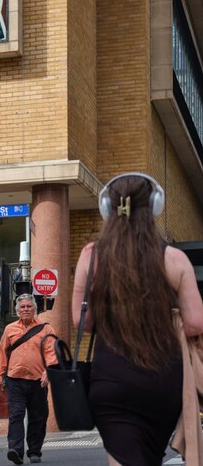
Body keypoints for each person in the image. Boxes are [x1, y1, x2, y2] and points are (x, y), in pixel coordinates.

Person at [71, 173, 203, 466]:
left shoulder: (91, 257)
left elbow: (83, 323)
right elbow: (196, 324)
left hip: (111, 383)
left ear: (107, 207)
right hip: (163, 383)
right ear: (154, 206)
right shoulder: (174, 259)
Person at [0, 294, 57, 465]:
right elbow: (1, 353)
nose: (26, 309)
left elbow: (52, 352)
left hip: (38, 381)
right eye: (22, 307)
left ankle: (35, 451)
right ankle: (15, 450)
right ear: (17, 311)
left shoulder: (46, 329)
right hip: (15, 380)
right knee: (16, 414)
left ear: (35, 309)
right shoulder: (10, 329)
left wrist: (49, 371)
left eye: (29, 306)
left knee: (38, 416)